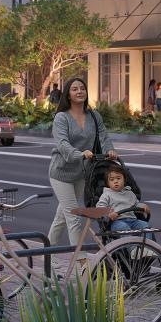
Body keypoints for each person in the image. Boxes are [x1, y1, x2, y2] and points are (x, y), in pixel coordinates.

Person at [49, 76, 116, 247]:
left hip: (82, 173)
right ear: (68, 94)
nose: (80, 91)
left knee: (62, 217)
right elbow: (62, 144)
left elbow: (103, 135)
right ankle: (82, 266)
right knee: (74, 218)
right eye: (75, 89)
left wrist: (110, 149)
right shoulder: (62, 118)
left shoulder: (94, 116)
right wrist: (79, 154)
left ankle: (46, 254)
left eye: (82, 88)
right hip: (61, 174)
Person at [98, 166, 150, 233]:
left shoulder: (130, 193)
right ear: (108, 183)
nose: (115, 181)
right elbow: (100, 207)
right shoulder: (106, 195)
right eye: (112, 179)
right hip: (116, 222)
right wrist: (109, 214)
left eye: (118, 178)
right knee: (124, 228)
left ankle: (145, 243)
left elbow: (136, 204)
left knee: (145, 226)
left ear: (124, 180)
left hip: (133, 220)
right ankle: (131, 243)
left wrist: (143, 207)